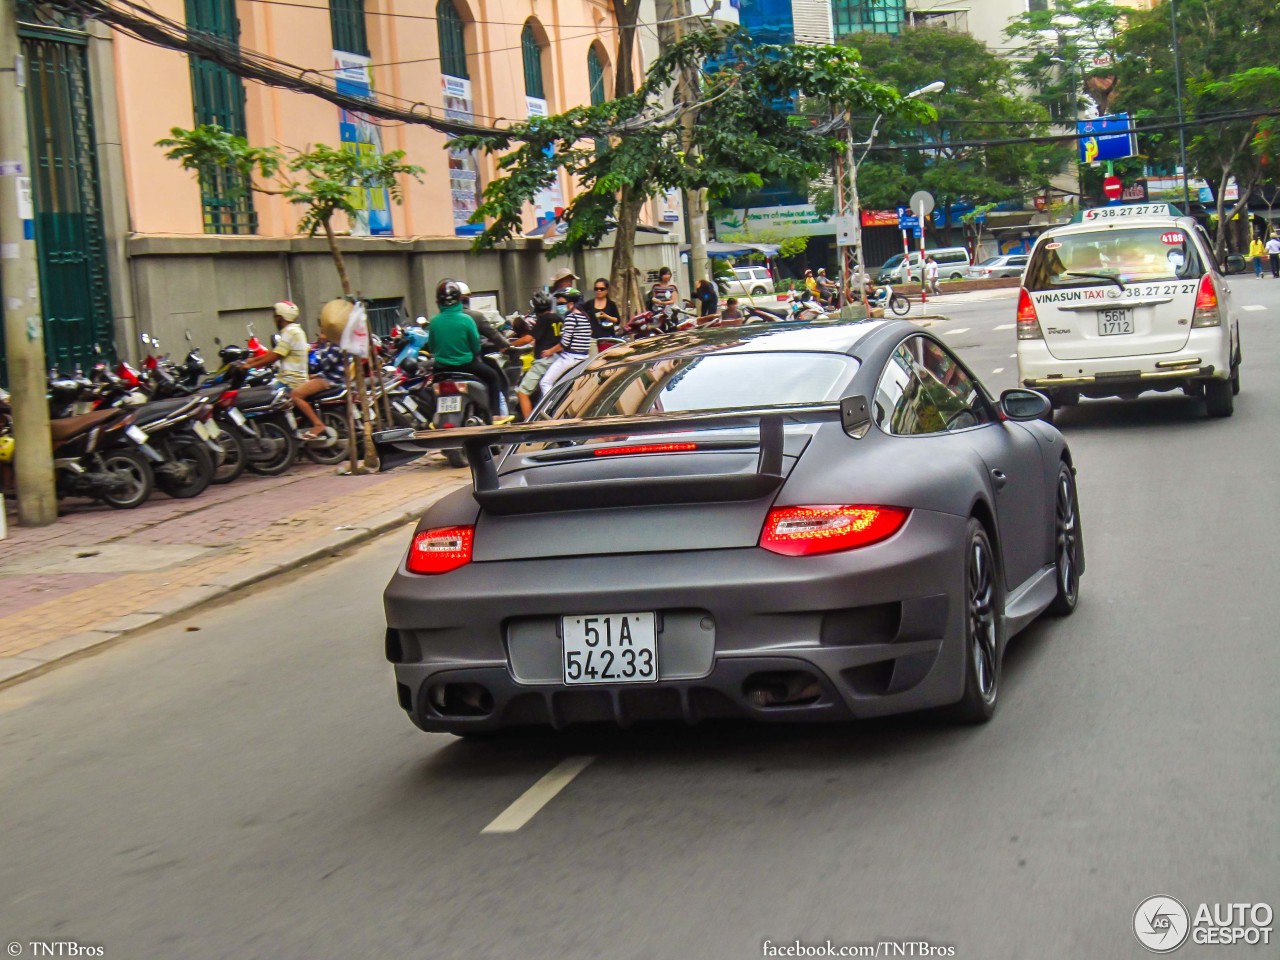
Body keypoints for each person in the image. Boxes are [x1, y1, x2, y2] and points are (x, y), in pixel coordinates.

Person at [426, 279, 507, 424]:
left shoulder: (434, 321)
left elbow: (432, 348)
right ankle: (496, 415)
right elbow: (475, 347)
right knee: (493, 377)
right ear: (460, 299)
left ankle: (433, 416)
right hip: (467, 365)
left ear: (438, 302)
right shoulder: (467, 320)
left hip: (441, 369)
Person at [236, 300, 312, 423]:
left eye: (275, 317)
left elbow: (274, 357)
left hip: (290, 383)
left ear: (281, 317)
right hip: (288, 380)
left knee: (245, 399)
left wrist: (248, 366)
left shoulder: (290, 332)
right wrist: (251, 361)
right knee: (256, 391)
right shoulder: (294, 330)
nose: (274, 320)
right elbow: (273, 353)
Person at [539, 287, 594, 396]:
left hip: (570, 357)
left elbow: (564, 344)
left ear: (571, 303)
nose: (560, 306)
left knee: (545, 382)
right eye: (558, 303)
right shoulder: (584, 317)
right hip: (583, 357)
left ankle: (552, 410)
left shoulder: (571, 318)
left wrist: (549, 351)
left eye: (562, 303)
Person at [290, 332, 344, 440]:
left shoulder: (336, 345)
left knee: (295, 395)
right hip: (329, 377)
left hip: (330, 380)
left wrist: (322, 344)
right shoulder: (337, 342)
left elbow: (326, 365)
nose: (320, 334)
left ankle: (318, 424)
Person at [516, 291, 561, 420]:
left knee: (523, 392)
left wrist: (508, 344)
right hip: (558, 359)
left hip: (544, 360)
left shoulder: (543, 320)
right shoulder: (558, 318)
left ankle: (529, 427)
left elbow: (527, 339)